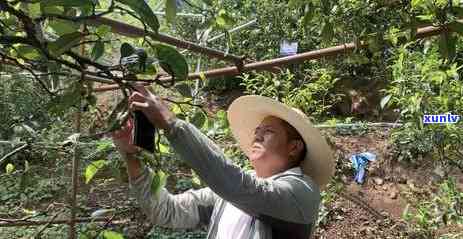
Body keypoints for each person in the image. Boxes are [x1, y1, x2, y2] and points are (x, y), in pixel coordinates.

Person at [112, 85, 335, 239]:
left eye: (268, 132)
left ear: (294, 147)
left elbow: (243, 188)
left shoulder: (303, 192)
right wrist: (132, 156)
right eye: (257, 130)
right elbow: (166, 210)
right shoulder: (224, 196)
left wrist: (172, 124)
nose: (256, 136)